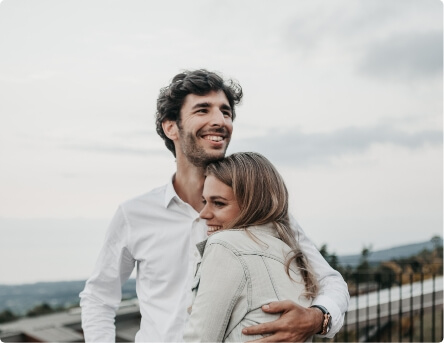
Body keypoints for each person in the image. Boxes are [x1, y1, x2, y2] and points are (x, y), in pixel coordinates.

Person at [79, 69, 349, 342]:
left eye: (226, 112)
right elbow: (98, 298)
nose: (220, 121)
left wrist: (318, 318)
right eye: (203, 110)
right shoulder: (134, 215)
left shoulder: (259, 209)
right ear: (171, 126)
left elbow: (331, 281)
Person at [183, 152, 320, 342]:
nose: (203, 214)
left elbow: (199, 339)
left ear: (252, 204)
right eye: (205, 202)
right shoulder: (292, 255)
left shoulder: (225, 245)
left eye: (219, 203)